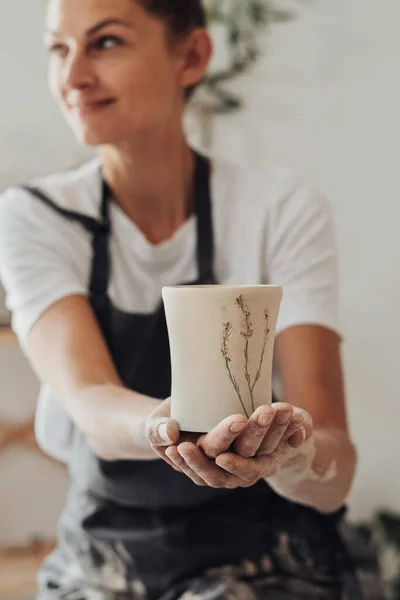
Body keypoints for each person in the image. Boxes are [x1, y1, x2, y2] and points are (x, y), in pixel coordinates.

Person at [0, 0, 377, 598]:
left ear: (193, 56)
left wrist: (289, 456)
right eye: (58, 48)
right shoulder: (37, 217)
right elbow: (91, 404)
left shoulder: (278, 211)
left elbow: (334, 468)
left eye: (105, 43)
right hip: (106, 555)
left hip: (268, 556)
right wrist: (170, 427)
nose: (71, 77)